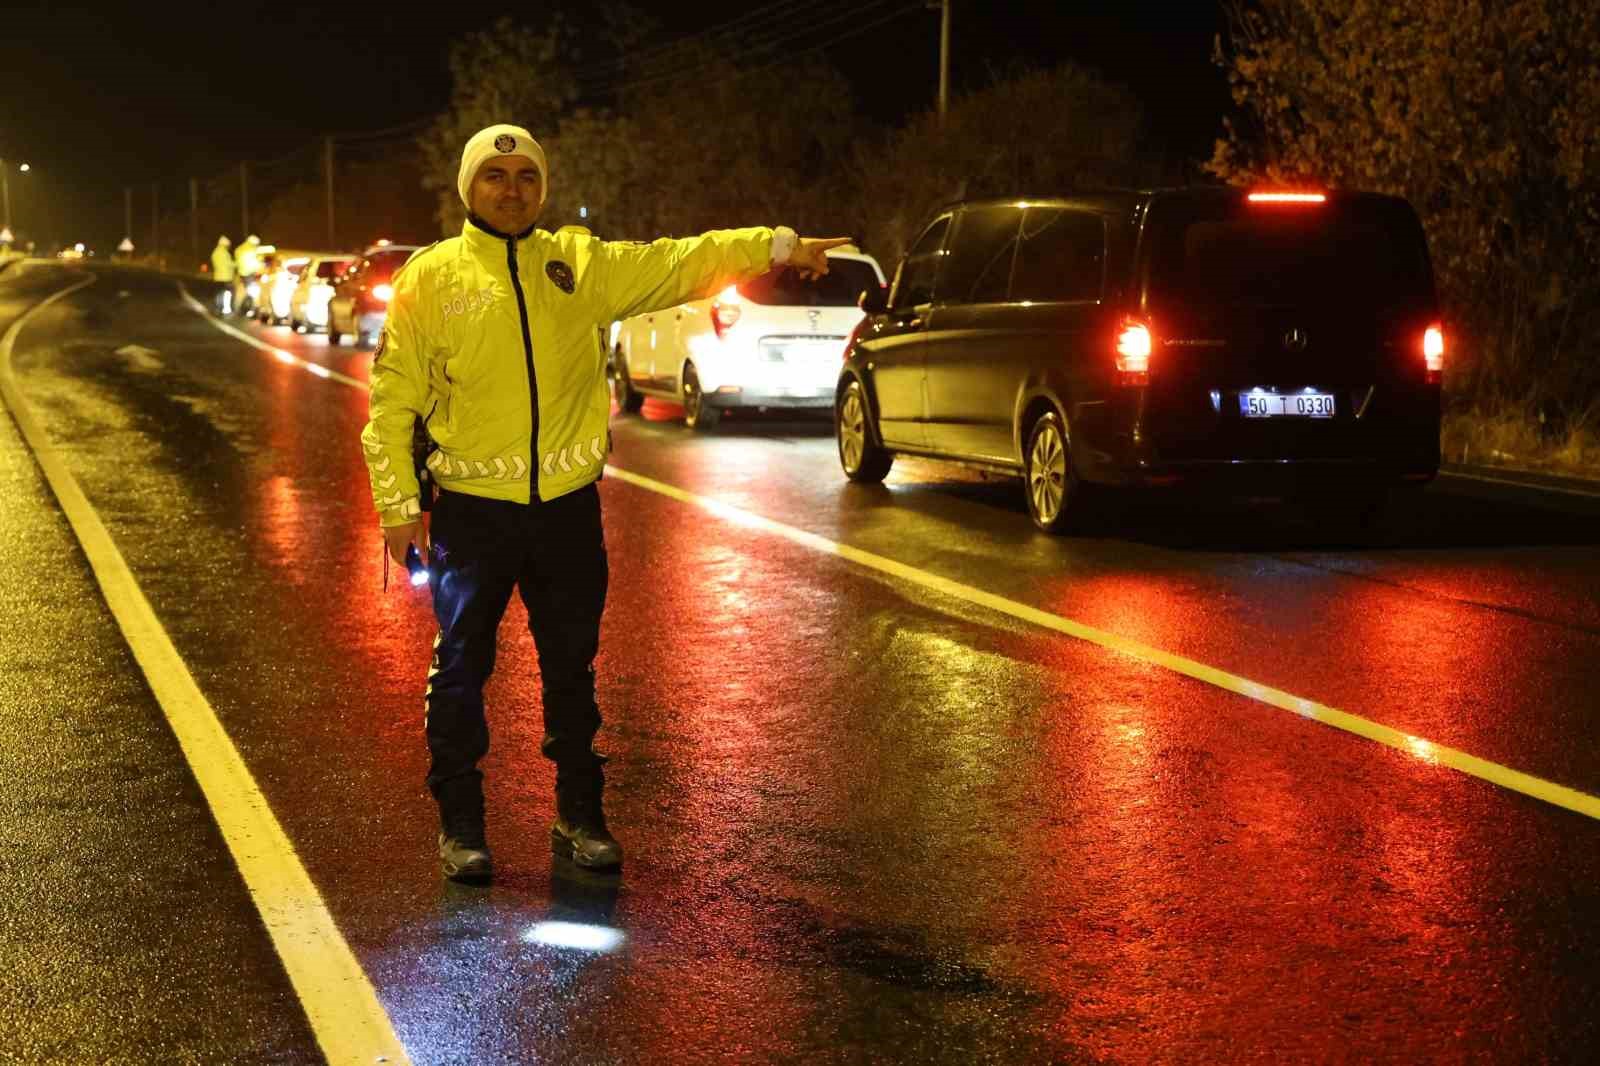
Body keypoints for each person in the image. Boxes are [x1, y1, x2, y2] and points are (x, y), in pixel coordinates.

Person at [361, 122, 848, 883]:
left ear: (542, 187)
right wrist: (397, 505)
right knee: (459, 668)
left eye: (526, 176)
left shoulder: (577, 264)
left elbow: (681, 260)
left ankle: (579, 815)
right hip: (472, 513)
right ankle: (461, 826)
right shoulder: (433, 279)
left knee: (572, 670)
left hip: (564, 510)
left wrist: (776, 246)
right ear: (469, 189)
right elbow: (390, 402)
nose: (512, 189)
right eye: (496, 177)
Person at [233, 234, 262, 316]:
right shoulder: (252, 249)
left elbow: (238, 261)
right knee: (253, 292)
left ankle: (240, 309)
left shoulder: (239, 249)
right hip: (250, 273)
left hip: (241, 274)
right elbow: (255, 263)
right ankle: (252, 310)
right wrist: (260, 266)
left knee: (244, 292)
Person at [209, 236, 235, 314]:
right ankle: (225, 308)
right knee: (227, 292)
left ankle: (218, 308)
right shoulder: (224, 253)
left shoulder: (215, 252)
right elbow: (228, 264)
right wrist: (236, 264)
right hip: (226, 276)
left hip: (217, 276)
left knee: (219, 293)